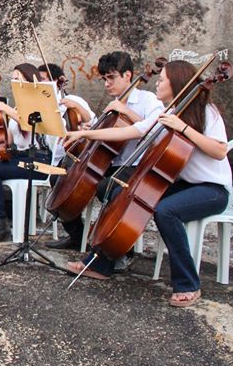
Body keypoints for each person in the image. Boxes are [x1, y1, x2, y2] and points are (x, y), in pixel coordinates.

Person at [62, 60, 233, 307]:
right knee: (119, 189)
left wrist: (183, 128)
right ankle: (101, 263)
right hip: (186, 184)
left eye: (162, 80)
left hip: (212, 190)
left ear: (176, 84)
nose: (158, 83)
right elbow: (129, 131)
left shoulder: (206, 112)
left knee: (166, 211)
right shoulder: (169, 114)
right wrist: (84, 134)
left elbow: (219, 151)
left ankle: (188, 284)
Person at [46, 52, 163, 251]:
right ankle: (77, 236)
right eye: (104, 79)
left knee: (106, 188)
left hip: (135, 166)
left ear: (127, 75)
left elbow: (155, 130)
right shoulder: (114, 103)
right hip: (110, 163)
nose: (107, 84)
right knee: (59, 176)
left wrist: (126, 111)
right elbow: (104, 131)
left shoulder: (148, 99)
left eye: (111, 77)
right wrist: (88, 132)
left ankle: (119, 248)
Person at [0, 63, 48, 243]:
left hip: (38, 159)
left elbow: (30, 125)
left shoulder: (39, 103)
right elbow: (11, 140)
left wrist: (6, 109)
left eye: (17, 79)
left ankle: (1, 223)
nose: (14, 82)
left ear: (29, 81)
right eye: (12, 79)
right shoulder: (16, 107)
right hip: (20, 156)